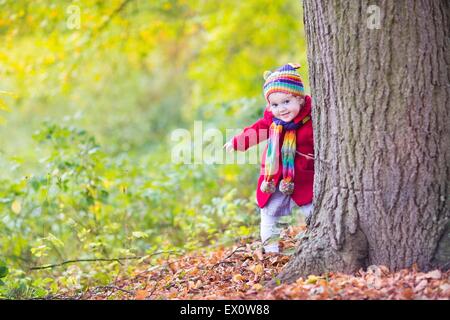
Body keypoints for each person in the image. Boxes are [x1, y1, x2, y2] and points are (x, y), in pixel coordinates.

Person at [224, 63, 314, 254]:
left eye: (286, 102)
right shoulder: (272, 121)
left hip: (305, 177)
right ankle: (271, 251)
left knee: (313, 212)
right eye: (275, 104)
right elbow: (255, 131)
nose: (281, 109)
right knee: (269, 214)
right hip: (274, 176)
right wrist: (237, 142)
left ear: (299, 99)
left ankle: (316, 243)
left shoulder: (311, 120)